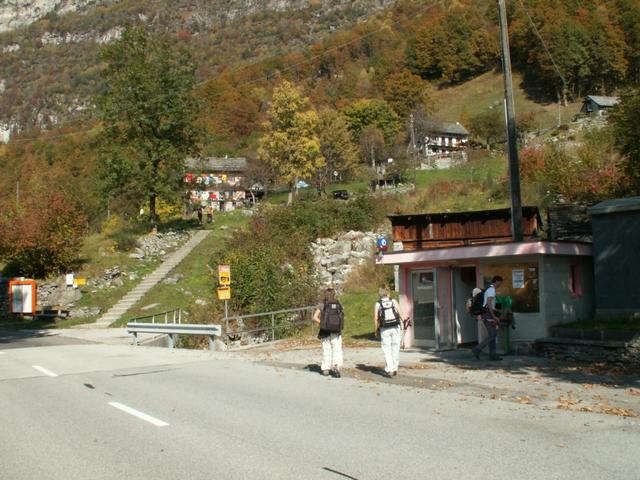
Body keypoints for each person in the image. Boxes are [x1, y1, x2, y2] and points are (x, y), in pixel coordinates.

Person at [374, 286, 406, 378]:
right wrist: (403, 325)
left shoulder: (378, 304)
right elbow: (400, 314)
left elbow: (376, 318)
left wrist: (376, 330)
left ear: (380, 293)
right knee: (395, 348)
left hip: (385, 329)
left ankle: (390, 368)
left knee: (386, 349)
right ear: (388, 293)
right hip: (395, 327)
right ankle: (395, 368)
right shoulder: (394, 301)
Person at [312, 288, 344, 378]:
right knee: (337, 349)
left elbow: (314, 317)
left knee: (327, 349)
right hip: (336, 331)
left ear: (325, 294)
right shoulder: (338, 303)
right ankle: (336, 366)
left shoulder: (322, 304)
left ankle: (326, 368)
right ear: (334, 294)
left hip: (325, 331)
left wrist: (323, 323)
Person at [472, 275, 503, 361]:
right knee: (493, 334)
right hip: (488, 314)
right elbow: (489, 304)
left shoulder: (489, 289)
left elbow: (490, 304)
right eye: (500, 283)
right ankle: (477, 349)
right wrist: (494, 316)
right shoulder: (491, 290)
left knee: (492, 334)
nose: (500, 285)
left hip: (487, 314)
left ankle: (492, 355)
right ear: (496, 281)